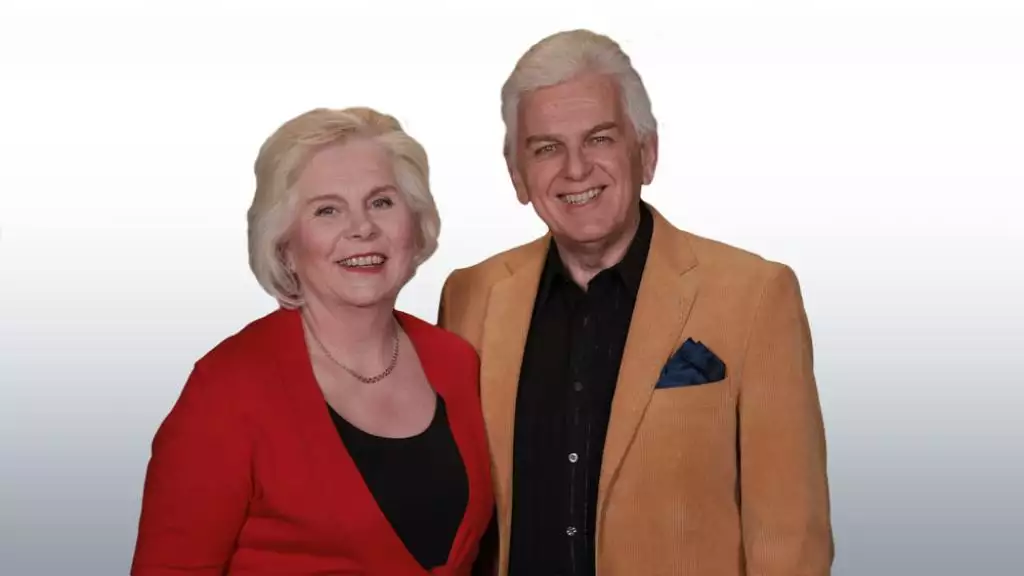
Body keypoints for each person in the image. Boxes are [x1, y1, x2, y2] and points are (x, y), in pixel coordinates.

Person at [437, 29, 833, 576]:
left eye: (599, 139)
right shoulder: (470, 295)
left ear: (646, 153)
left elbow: (790, 538)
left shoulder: (756, 295)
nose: (576, 169)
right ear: (517, 177)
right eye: (547, 148)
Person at [132, 107, 494, 575]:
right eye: (327, 210)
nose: (362, 228)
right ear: (285, 245)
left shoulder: (455, 361)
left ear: (415, 221)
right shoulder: (226, 390)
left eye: (381, 202)